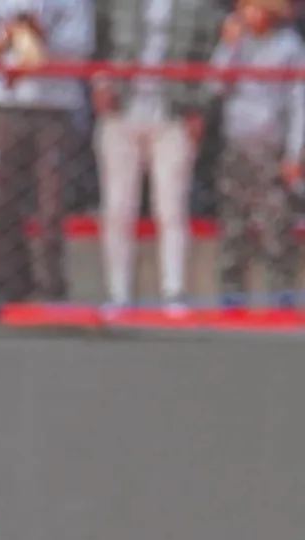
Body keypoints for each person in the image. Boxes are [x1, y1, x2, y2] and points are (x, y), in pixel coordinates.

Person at [92, 0, 223, 310]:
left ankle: (173, 292)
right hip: (121, 110)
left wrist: (199, 107)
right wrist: (100, 84)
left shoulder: (200, 7)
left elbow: (211, 57)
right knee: (117, 206)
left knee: (172, 206)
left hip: (174, 111)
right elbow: (98, 43)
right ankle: (118, 295)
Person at [0, 0, 95, 303]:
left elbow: (82, 46)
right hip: (5, 105)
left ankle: (51, 288)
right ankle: (8, 286)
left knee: (51, 203)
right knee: (2, 197)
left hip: (53, 109)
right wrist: (5, 37)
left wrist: (43, 36)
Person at [209, 0, 305, 307]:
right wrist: (229, 46)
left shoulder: (290, 46)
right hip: (236, 148)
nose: (249, 14)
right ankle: (231, 302)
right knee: (233, 230)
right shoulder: (237, 43)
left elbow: (299, 105)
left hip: (271, 151)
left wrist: (294, 154)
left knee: (276, 230)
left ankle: (283, 302)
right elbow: (215, 86)